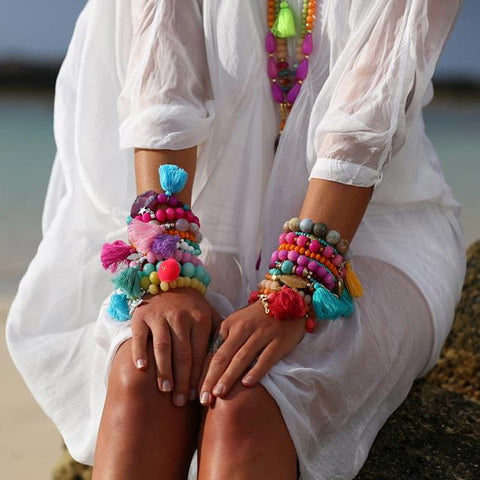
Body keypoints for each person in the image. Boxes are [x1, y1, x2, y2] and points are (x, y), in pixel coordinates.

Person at [6, 1, 466, 479]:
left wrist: (297, 284)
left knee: (247, 395)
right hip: (210, 213)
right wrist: (169, 268)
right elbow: (164, 87)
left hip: (370, 226)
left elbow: (370, 111)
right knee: (149, 372)